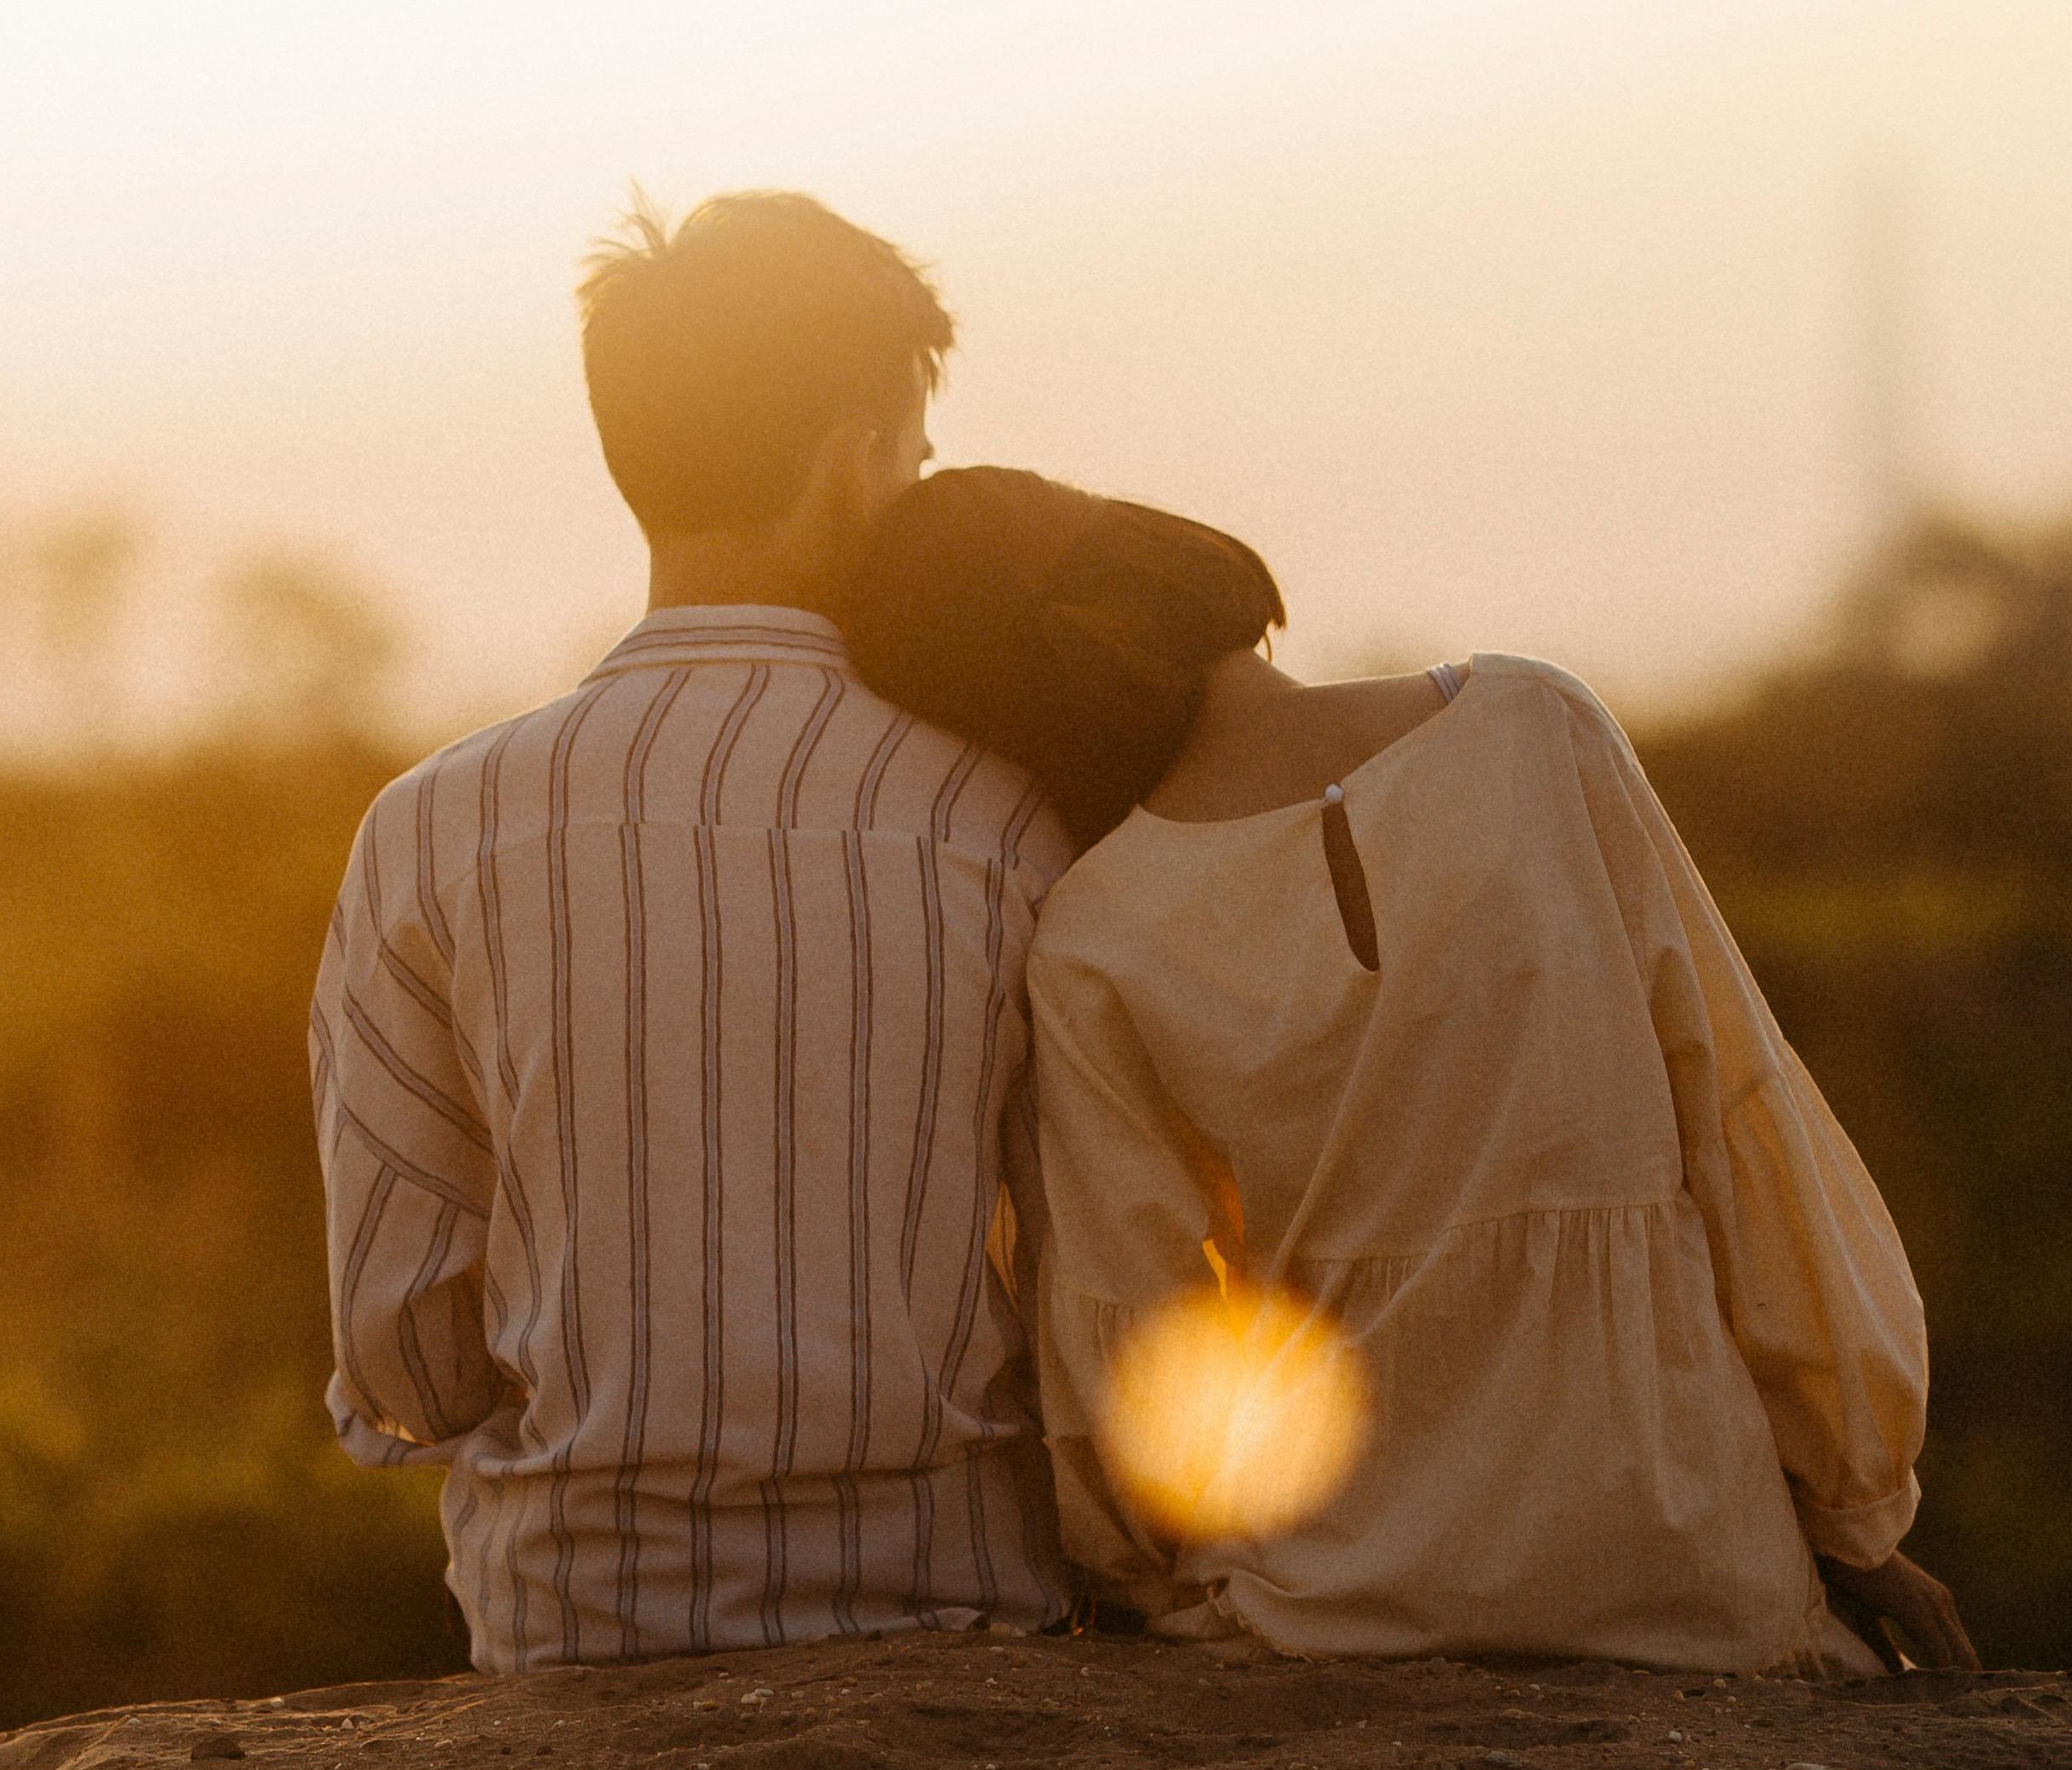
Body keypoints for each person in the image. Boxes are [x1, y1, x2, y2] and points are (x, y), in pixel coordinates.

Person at [830, 467, 1976, 1677]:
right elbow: (1742, 1123)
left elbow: (1135, 1340)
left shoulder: (1092, 937)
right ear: (1162, 553)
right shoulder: (1538, 727)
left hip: (1331, 1606)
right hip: (1686, 1568)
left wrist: (1152, 1577)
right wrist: (1854, 1510)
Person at [310, 195, 1077, 1671]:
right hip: (957, 1608)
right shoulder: (1004, 815)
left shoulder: (433, 825)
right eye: (913, 459)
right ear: (853, 461)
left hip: (582, 1622)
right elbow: (1089, 1278)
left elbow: (401, 1346)